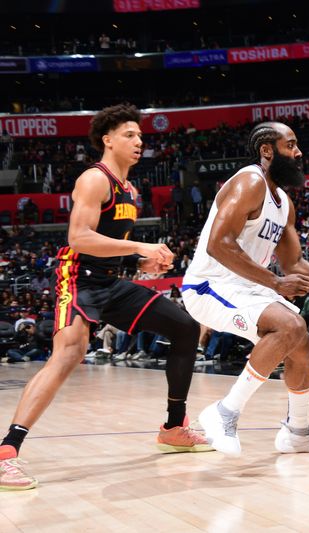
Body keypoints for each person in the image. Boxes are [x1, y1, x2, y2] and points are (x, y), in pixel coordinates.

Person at [0, 104, 208, 492]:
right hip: (77, 277)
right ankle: (7, 451)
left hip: (112, 281)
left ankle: (174, 427)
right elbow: (78, 238)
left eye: (140, 136)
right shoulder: (95, 179)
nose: (138, 141)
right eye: (129, 135)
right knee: (68, 355)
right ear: (107, 139)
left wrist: (141, 265)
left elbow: (113, 246)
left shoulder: (130, 189)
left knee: (185, 328)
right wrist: (143, 247)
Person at [182, 122, 309, 457]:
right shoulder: (250, 182)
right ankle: (224, 413)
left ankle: (298, 433)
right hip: (210, 285)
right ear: (267, 150)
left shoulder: (284, 203)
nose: (298, 153)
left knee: (303, 345)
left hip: (247, 288)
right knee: (290, 325)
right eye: (290, 145)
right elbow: (219, 245)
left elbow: (294, 265)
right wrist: (275, 283)